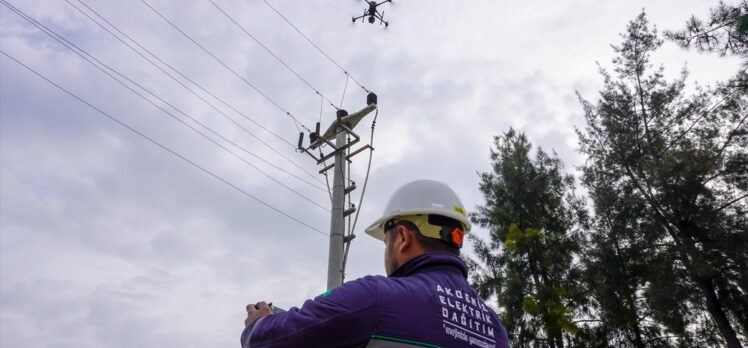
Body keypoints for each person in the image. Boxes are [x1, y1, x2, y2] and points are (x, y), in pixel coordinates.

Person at [241, 179, 509, 347]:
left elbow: (276, 339)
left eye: (386, 241)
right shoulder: (495, 329)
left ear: (402, 237)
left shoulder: (378, 298)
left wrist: (258, 325)